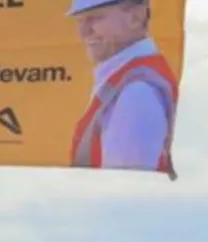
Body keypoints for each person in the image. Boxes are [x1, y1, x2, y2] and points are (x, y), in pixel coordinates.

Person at [67, 0, 178, 177]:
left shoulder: (137, 93)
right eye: (80, 21)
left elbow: (124, 185)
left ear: (135, 18)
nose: (83, 32)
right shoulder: (126, 79)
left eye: (95, 18)